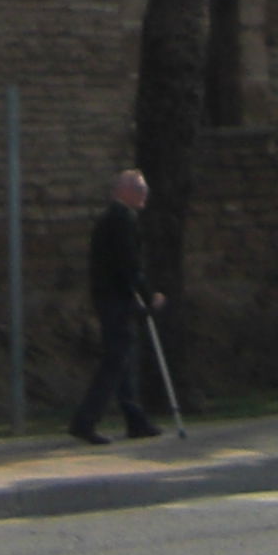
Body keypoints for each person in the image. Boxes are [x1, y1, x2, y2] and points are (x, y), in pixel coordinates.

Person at [67, 170, 167, 442]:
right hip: (116, 300)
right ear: (125, 191)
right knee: (115, 361)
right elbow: (130, 265)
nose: (144, 195)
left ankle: (135, 420)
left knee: (124, 361)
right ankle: (84, 421)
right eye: (139, 189)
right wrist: (149, 297)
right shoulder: (122, 220)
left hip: (110, 297)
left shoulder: (112, 218)